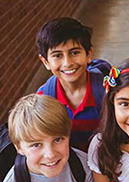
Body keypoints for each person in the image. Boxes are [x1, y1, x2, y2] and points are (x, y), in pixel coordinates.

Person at [0, 94, 99, 182]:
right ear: (19, 148)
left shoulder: (82, 163)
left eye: (58, 140)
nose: (50, 154)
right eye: (36, 144)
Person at [36, 17, 111, 152]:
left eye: (74, 53)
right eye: (57, 55)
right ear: (46, 61)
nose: (68, 63)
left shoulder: (108, 90)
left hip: (106, 161)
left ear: (88, 54)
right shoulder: (44, 98)